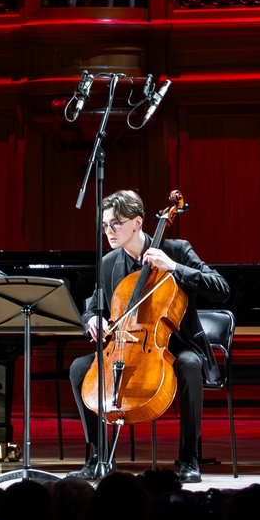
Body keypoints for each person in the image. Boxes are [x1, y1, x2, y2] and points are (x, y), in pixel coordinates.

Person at [68, 190, 228, 483]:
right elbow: (92, 306)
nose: (109, 231)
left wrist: (175, 268)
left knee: (190, 366)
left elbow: (220, 287)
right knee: (79, 368)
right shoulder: (109, 263)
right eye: (105, 225)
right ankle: (99, 456)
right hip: (126, 346)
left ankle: (189, 458)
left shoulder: (177, 250)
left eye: (115, 223)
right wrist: (92, 319)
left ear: (138, 223)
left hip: (177, 344)